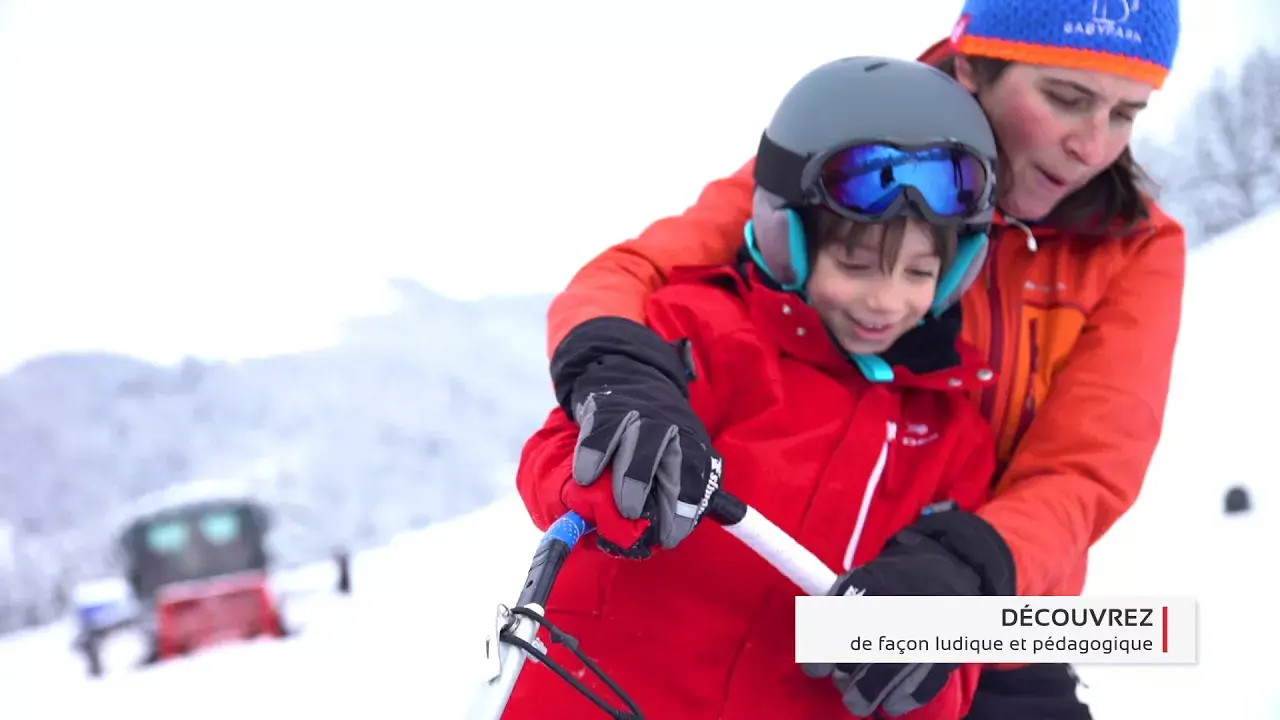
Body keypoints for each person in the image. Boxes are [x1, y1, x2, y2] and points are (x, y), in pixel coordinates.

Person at [539, 1, 1184, 718]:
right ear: (974, 66)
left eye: (1127, 114)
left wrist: (969, 569)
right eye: (1066, 99)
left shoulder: (1137, 246)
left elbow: (1088, 465)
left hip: (998, 603)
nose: (1094, 148)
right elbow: (639, 273)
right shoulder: (858, 154)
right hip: (821, 574)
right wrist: (620, 373)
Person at [507, 56, 1014, 720]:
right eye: (856, 264)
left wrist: (918, 661)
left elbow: (951, 676)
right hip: (596, 696)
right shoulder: (707, 332)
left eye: (920, 272)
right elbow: (553, 458)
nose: (886, 300)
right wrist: (618, 465)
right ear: (789, 239)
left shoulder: (951, 435)